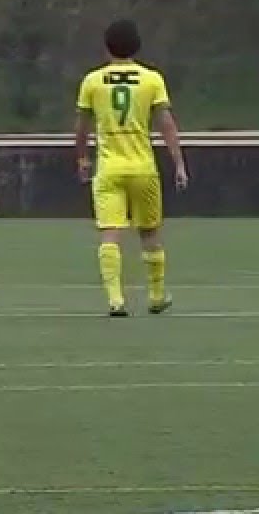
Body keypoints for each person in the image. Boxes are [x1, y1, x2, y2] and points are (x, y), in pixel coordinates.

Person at [74, 19, 187, 317]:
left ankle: (115, 300)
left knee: (110, 233)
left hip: (109, 167)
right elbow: (166, 124)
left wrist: (83, 158)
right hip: (143, 167)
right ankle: (157, 295)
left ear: (106, 46)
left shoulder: (93, 81)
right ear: (137, 46)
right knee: (150, 232)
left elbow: (82, 126)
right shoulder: (152, 80)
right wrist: (178, 162)